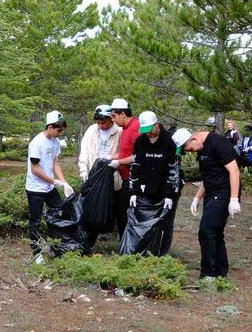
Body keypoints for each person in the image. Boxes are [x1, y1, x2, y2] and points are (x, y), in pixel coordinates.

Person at [172, 127, 242, 280]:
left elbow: (234, 170)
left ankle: (207, 274)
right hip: (211, 193)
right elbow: (208, 176)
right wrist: (196, 198)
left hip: (225, 192)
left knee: (206, 230)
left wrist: (234, 199)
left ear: (193, 139)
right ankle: (220, 273)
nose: (190, 152)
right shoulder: (201, 150)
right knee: (215, 233)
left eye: (188, 149)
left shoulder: (218, 143)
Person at [127, 111, 183, 256]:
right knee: (147, 220)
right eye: (144, 131)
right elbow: (135, 166)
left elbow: (173, 169)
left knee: (166, 222)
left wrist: (170, 194)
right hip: (146, 189)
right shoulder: (140, 142)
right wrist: (133, 191)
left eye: (150, 130)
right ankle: (146, 251)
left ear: (157, 125)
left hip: (167, 189)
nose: (148, 134)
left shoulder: (169, 142)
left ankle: (162, 254)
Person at [26, 111, 73, 264]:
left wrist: (64, 182)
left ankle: (59, 247)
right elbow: (35, 169)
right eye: (58, 130)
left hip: (49, 187)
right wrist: (54, 182)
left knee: (60, 213)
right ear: (50, 127)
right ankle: (37, 252)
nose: (60, 133)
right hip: (35, 189)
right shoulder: (37, 143)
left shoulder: (55, 142)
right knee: (35, 222)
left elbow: (55, 164)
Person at [78, 104, 122, 247]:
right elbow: (84, 151)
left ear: (111, 119)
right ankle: (87, 244)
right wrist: (83, 170)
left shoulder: (119, 131)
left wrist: (116, 162)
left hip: (112, 177)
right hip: (94, 176)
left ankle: (122, 244)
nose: (100, 125)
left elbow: (125, 152)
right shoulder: (92, 130)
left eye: (103, 122)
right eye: (98, 122)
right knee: (90, 209)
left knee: (117, 211)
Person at [108, 98, 140, 237]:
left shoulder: (135, 128)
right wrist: (111, 157)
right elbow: (126, 151)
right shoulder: (125, 129)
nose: (113, 120)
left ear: (123, 114)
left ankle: (127, 243)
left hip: (135, 178)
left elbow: (138, 156)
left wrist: (119, 162)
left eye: (114, 116)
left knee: (124, 211)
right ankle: (124, 241)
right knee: (120, 210)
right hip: (125, 177)